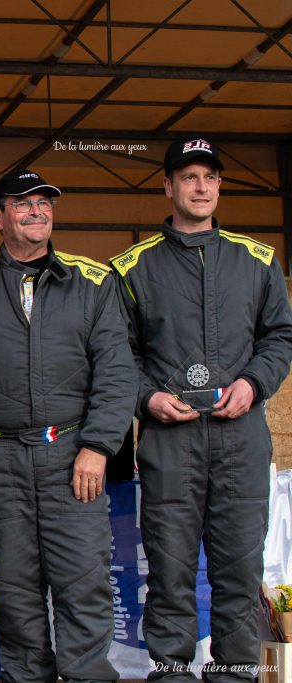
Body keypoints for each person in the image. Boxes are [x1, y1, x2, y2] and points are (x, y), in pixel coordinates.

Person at [0, 169, 136, 682]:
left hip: (73, 454)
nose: (37, 211)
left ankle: (87, 674)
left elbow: (118, 372)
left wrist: (97, 445)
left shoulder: (94, 281)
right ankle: (27, 676)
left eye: (45, 202)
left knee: (82, 578)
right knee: (15, 584)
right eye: (22, 203)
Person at [110, 136, 292, 680]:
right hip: (170, 439)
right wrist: (148, 399)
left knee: (240, 562)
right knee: (169, 562)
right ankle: (170, 667)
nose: (200, 186)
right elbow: (120, 353)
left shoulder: (258, 260)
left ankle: (236, 667)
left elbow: (280, 337)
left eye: (209, 177)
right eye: (187, 177)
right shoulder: (131, 267)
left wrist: (254, 384)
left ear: (219, 185)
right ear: (167, 186)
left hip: (242, 435)